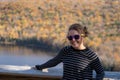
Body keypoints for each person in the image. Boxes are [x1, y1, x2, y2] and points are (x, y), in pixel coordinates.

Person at [34, 23, 105, 80]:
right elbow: (54, 61)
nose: (73, 40)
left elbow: (100, 72)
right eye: (70, 38)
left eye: (76, 37)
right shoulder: (66, 50)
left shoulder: (91, 55)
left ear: (82, 36)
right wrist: (39, 67)